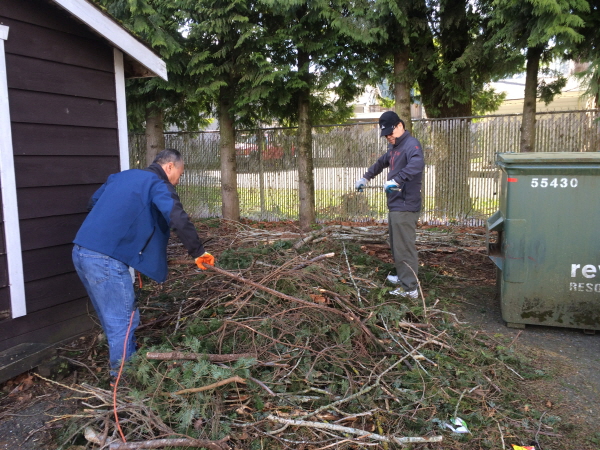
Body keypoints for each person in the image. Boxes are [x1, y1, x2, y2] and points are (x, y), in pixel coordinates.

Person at [72, 148, 214, 377]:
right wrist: (198, 251)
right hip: (106, 261)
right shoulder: (157, 183)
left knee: (113, 322)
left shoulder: (120, 177)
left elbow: (93, 203)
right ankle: (123, 383)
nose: (178, 180)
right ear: (169, 167)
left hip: (81, 252)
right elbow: (176, 217)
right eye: (180, 173)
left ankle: (122, 369)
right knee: (124, 323)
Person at [355, 111, 425, 298]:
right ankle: (403, 275)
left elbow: (417, 165)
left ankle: (410, 288)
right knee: (396, 245)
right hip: (396, 205)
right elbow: (381, 163)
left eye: (390, 133)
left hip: (405, 205)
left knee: (404, 247)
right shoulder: (394, 147)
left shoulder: (411, 145)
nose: (388, 137)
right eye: (385, 134)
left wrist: (398, 180)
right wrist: (366, 177)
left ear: (400, 126)